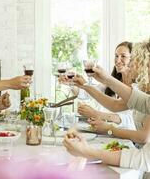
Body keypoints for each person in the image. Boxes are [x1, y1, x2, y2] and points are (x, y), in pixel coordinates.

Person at [63, 39, 150, 173]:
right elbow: (118, 104)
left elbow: (143, 156)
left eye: (134, 62)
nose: (130, 65)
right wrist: (97, 81)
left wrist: (88, 151)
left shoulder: (140, 88)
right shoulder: (143, 93)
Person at [77, 41, 135, 130]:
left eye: (123, 56)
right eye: (116, 56)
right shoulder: (112, 83)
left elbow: (130, 119)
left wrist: (95, 113)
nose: (118, 60)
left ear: (134, 59)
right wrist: (73, 83)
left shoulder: (138, 87)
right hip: (108, 134)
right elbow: (86, 93)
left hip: (128, 138)